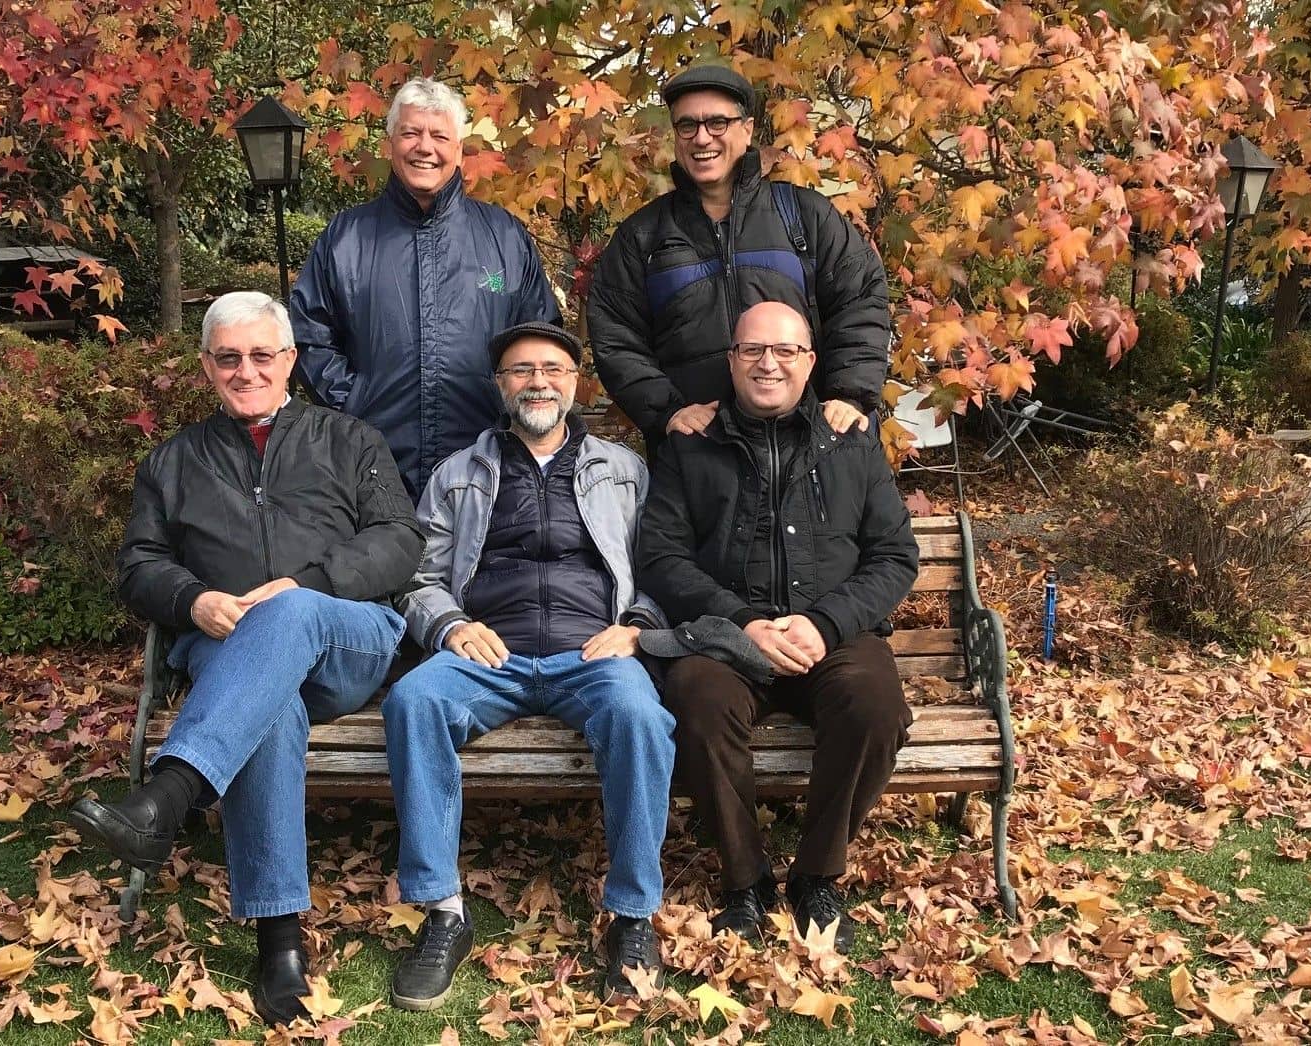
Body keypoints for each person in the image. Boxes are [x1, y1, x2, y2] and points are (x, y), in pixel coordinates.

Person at [67, 292, 424, 1026]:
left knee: (286, 613)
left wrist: (307, 585)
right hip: (228, 650)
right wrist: (193, 599)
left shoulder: (348, 439)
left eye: (262, 354)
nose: (246, 371)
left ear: (290, 358)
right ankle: (279, 942)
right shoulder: (172, 461)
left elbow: (399, 539)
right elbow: (139, 566)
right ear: (206, 366)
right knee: (271, 709)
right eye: (228, 358)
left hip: (347, 638)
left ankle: (167, 795)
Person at [382, 321, 674, 1008]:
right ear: (500, 385)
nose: (536, 381)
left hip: (592, 650)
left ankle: (633, 916)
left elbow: (666, 566)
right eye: (520, 370)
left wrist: (636, 627)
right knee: (413, 702)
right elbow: (417, 577)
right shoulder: (459, 473)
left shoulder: (624, 470)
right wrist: (451, 625)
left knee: (640, 717)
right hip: (490, 651)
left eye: (551, 369)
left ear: (574, 383)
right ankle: (443, 912)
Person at [636, 300, 919, 951]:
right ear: (732, 360)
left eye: (785, 350)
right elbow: (662, 558)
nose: (769, 363)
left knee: (875, 708)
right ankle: (746, 881)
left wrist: (825, 622)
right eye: (753, 350)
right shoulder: (690, 446)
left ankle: (817, 875)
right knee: (696, 703)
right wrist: (741, 625)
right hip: (728, 640)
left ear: (808, 361)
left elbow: (894, 555)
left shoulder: (851, 442)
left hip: (833, 637)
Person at [588, 63, 891, 451]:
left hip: (811, 448)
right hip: (699, 455)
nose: (702, 137)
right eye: (687, 125)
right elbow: (615, 335)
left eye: (717, 122)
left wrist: (849, 396)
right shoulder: (643, 236)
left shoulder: (804, 216)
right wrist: (668, 412)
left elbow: (861, 299)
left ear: (746, 130)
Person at [290, 76, 563, 496]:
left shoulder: (505, 237)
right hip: (374, 470)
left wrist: (510, 415)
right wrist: (354, 403)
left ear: (459, 148)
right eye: (411, 133)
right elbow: (309, 334)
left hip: (489, 469)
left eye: (439, 136)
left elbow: (541, 338)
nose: (425, 147)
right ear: (390, 143)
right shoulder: (346, 237)